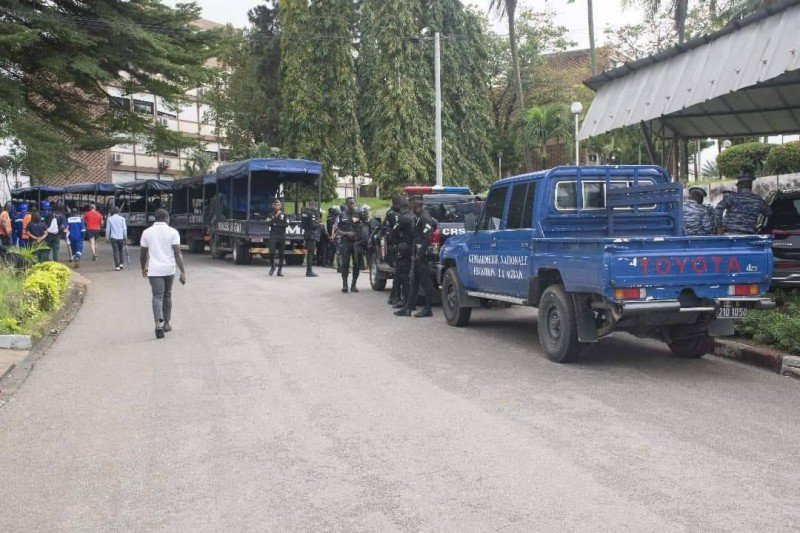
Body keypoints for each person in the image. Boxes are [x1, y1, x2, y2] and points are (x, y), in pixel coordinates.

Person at [140, 209, 186, 339]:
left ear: (155, 218)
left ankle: (157, 325)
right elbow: (177, 253)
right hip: (169, 269)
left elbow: (143, 253)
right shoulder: (173, 232)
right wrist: (183, 271)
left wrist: (143, 267)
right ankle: (166, 323)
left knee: (157, 296)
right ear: (167, 218)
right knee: (167, 295)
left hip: (154, 270)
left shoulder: (146, 233)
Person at [395, 200, 436, 318]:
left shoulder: (425, 218)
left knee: (426, 283)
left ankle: (428, 309)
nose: (411, 209)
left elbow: (426, 238)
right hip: (417, 254)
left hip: (422, 256)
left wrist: (420, 254)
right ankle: (408, 308)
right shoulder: (418, 217)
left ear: (417, 207)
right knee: (414, 282)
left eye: (412, 207)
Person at [333, 197, 364, 293]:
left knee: (356, 264)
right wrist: (347, 234)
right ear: (346, 204)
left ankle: (353, 285)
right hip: (346, 242)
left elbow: (363, 226)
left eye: (353, 203)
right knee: (345, 264)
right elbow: (337, 230)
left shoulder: (358, 214)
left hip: (356, 243)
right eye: (350, 203)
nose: (352, 205)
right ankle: (345, 285)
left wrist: (358, 235)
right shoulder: (341, 215)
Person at [390, 197, 414, 311]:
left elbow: (393, 233)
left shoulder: (402, 218)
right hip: (412, 249)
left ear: (400, 207)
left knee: (403, 277)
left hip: (403, 250)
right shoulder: (413, 217)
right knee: (408, 277)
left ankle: (406, 302)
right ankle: (407, 302)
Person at [383, 195, 403, 306]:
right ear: (396, 203)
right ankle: (395, 297)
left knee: (398, 274)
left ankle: (392, 297)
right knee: (398, 274)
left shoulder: (394, 213)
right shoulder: (392, 214)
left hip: (394, 245)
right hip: (394, 246)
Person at [267, 199, 288, 276]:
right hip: (273, 235)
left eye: (279, 205)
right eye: (276, 205)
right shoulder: (271, 214)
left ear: (281, 206)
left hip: (282, 235)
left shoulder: (284, 214)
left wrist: (276, 224)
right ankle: (272, 267)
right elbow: (269, 223)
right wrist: (275, 217)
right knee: (271, 253)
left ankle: (280, 270)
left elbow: (286, 225)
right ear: (274, 205)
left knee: (281, 254)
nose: (277, 206)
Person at [301, 201, 321, 277]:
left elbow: (303, 224)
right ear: (312, 206)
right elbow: (312, 225)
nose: (315, 209)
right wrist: (319, 224)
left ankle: (309, 270)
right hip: (311, 233)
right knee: (310, 252)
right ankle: (309, 271)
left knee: (309, 252)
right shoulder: (311, 214)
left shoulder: (304, 212)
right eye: (315, 207)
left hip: (306, 232)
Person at [105, 206, 128, 271]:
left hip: (113, 237)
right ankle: (121, 264)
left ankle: (117, 266)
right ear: (118, 211)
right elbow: (124, 228)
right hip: (121, 237)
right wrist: (125, 237)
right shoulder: (122, 218)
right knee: (121, 251)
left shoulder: (110, 219)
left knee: (115, 251)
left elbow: (108, 229)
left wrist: (107, 237)